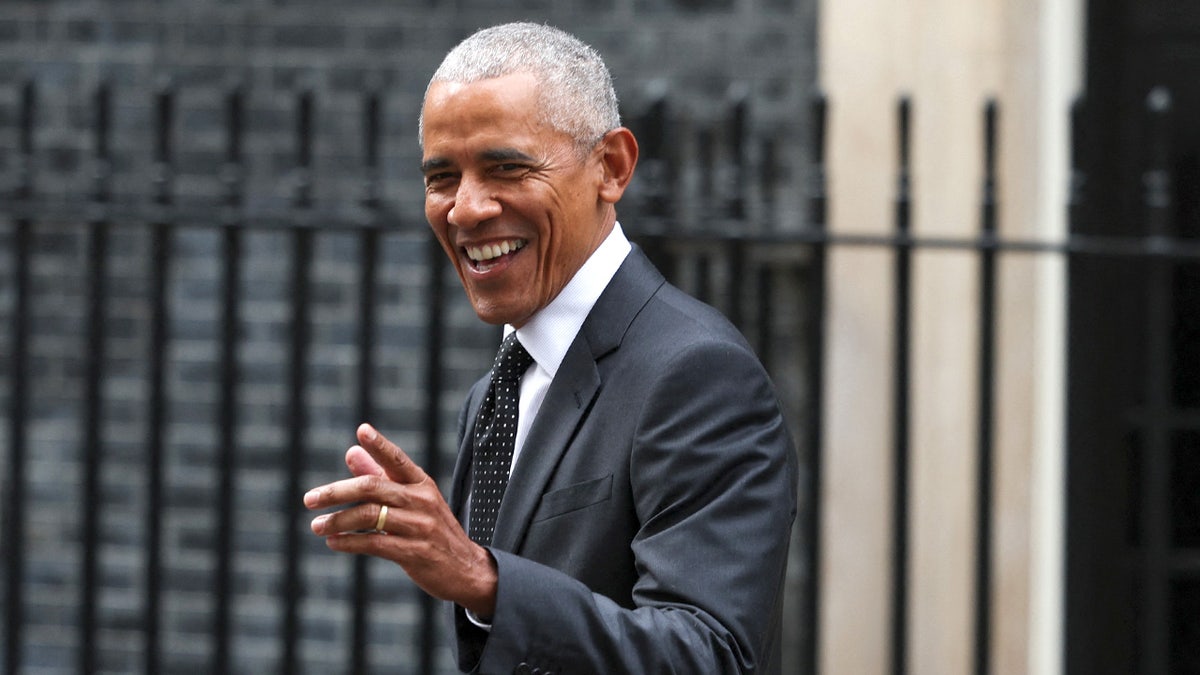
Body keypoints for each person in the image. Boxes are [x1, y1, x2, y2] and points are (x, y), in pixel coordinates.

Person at [304, 22, 798, 674]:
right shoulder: (498, 390)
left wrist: (486, 579)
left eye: (506, 166)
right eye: (442, 177)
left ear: (612, 167)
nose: (466, 209)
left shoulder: (697, 373)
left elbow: (710, 654)